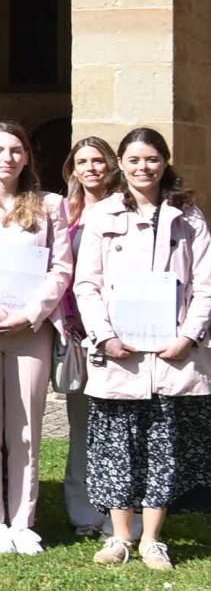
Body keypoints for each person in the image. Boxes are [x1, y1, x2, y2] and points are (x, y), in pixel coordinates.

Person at [73, 126, 211, 572]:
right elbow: (86, 285)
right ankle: (119, 538)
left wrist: (188, 337)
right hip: (121, 354)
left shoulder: (188, 216)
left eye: (151, 159)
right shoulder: (102, 216)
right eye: (133, 160)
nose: (142, 167)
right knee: (117, 447)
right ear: (122, 165)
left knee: (163, 448)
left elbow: (206, 285)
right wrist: (105, 336)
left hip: (172, 354)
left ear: (165, 161)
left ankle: (152, 539)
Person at [0, 119, 73, 555]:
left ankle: (23, 519)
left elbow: (62, 267)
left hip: (31, 330)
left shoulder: (50, 205)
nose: (7, 158)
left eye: (16, 150)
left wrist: (31, 313)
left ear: (27, 157)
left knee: (25, 427)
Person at [58, 136, 120, 539]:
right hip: (80, 334)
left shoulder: (125, 210)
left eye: (98, 160)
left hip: (122, 335)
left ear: (111, 165)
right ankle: (83, 514)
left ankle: (119, 511)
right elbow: (60, 270)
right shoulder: (66, 212)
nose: (91, 168)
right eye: (82, 161)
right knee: (82, 425)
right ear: (73, 170)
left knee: (118, 425)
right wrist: (67, 319)